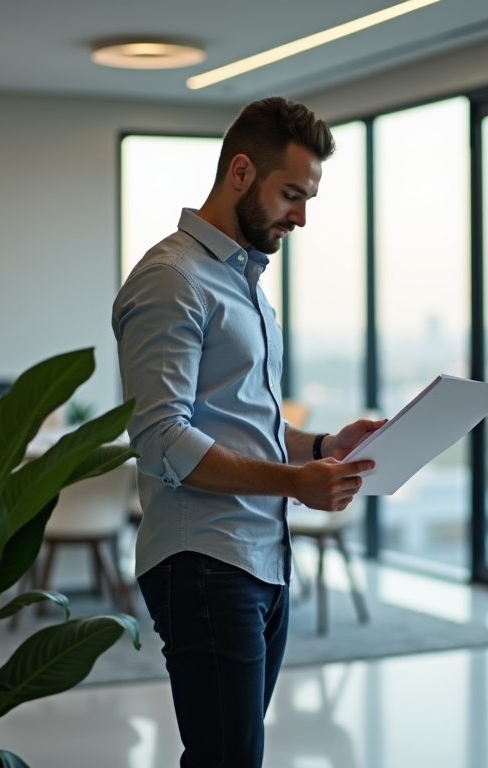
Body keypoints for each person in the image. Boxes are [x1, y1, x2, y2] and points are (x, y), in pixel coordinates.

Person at [112, 96, 385, 768]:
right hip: (203, 560)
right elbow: (164, 440)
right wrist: (296, 484)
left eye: (309, 196)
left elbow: (248, 424)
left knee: (228, 756)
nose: (301, 216)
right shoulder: (172, 279)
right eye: (291, 193)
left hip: (262, 558)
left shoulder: (248, 287)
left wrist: (324, 448)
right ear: (240, 172)